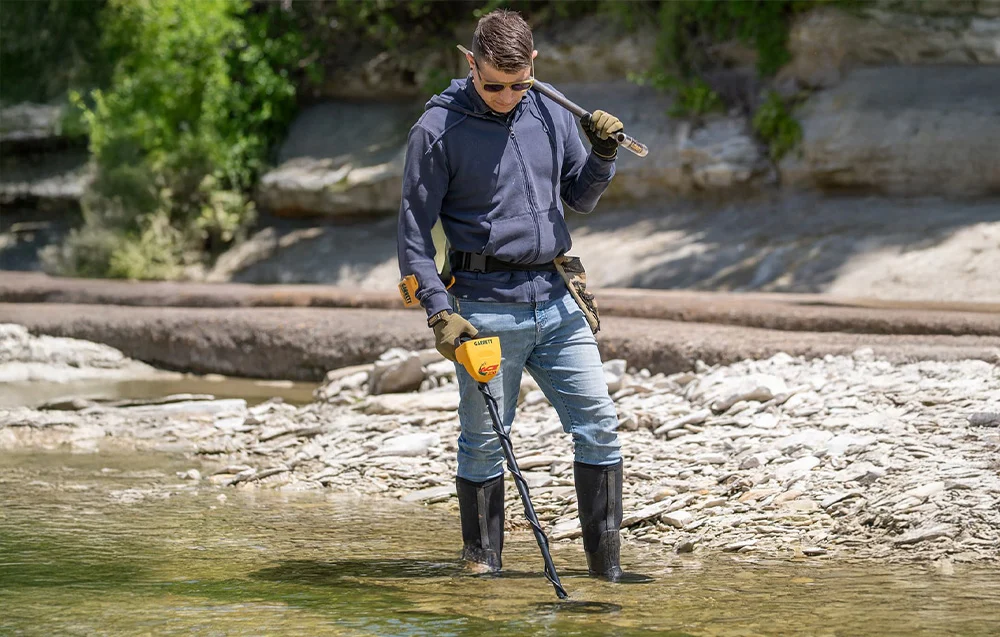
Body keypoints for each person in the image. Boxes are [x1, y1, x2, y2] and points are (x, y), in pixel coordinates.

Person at [397, 9, 626, 582]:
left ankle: (607, 571)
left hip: (557, 299)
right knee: (482, 442)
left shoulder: (550, 109)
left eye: (516, 83)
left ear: (534, 65)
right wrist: (439, 311)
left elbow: (580, 197)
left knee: (598, 423)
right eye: (492, 84)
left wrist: (601, 155)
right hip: (483, 309)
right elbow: (412, 235)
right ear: (470, 63)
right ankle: (483, 572)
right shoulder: (436, 130)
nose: (504, 95)